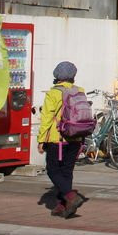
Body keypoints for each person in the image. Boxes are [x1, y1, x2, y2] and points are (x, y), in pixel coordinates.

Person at [37, 61, 86, 218]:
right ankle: (64, 206)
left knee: (52, 170)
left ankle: (71, 196)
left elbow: (46, 118)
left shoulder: (53, 93)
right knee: (66, 171)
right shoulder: (80, 91)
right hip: (76, 137)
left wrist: (41, 139)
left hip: (58, 139)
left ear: (56, 75)